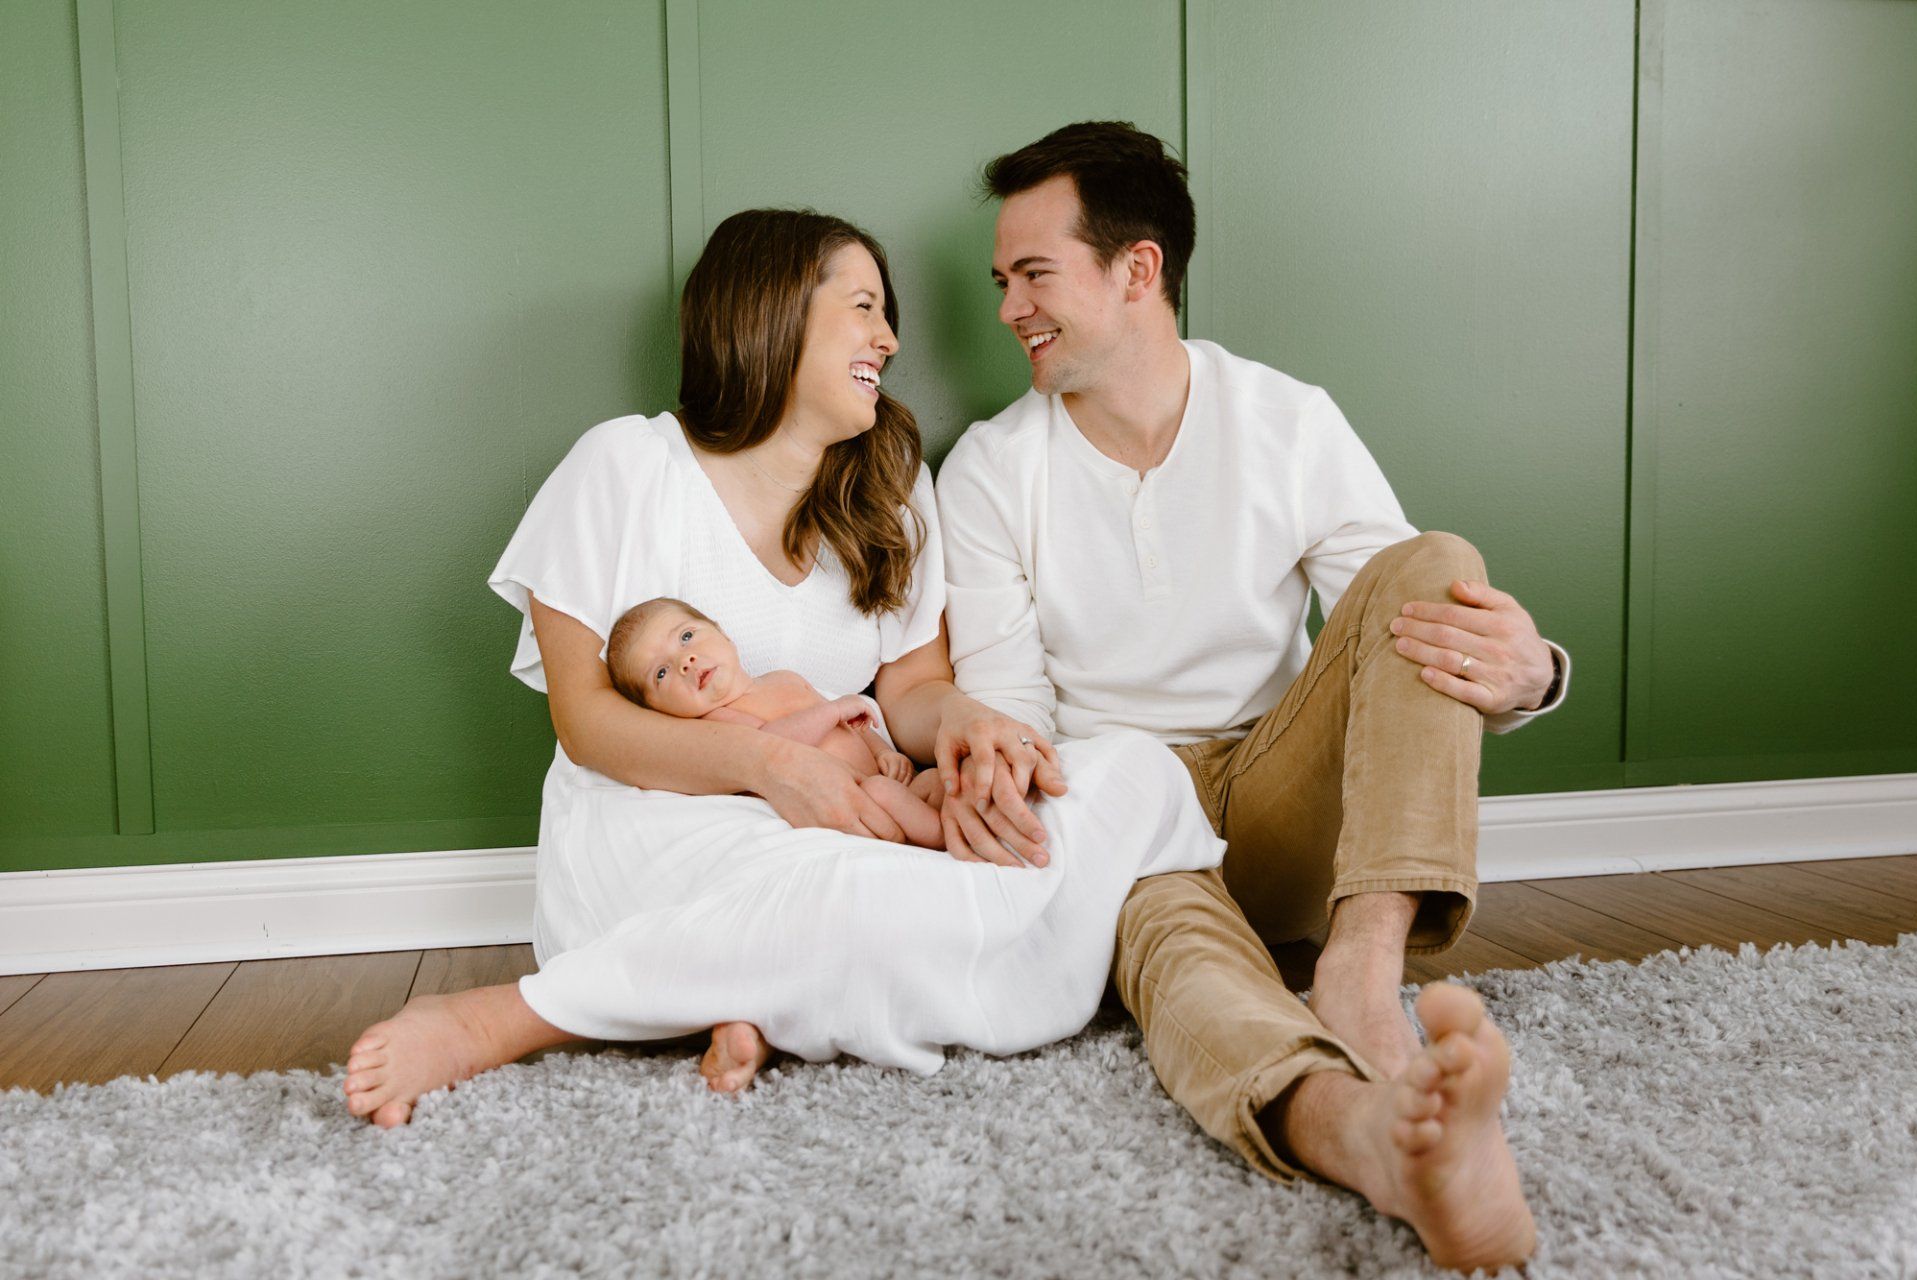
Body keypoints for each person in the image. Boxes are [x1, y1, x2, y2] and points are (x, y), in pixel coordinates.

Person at [341, 208, 1223, 1119]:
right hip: (665, 820)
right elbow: (587, 721)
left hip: (848, 813)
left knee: (1135, 775)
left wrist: (966, 726)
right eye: (864, 308)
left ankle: (746, 991)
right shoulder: (623, 468)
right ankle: (505, 1020)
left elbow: (914, 691)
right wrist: (772, 767)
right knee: (845, 893)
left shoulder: (892, 485)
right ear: (771, 315)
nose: (888, 339)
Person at [935, 122, 1572, 1271]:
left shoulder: (1287, 419)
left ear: (1139, 270)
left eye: (1033, 275)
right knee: (1185, 973)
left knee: (1433, 561)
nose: (1006, 309)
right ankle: (1375, 1140)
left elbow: (1401, 616)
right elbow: (1010, 713)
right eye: (1000, 281)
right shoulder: (987, 469)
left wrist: (1537, 675)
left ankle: (1361, 978)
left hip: (1283, 786)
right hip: (1121, 801)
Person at [604, 595, 947, 850]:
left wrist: (883, 751)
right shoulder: (716, 723)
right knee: (882, 791)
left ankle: (967, 824)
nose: (685, 661)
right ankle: (947, 844)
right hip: (855, 805)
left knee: (935, 780)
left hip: (888, 782)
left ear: (723, 634)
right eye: (661, 673)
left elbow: (852, 723)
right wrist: (833, 711)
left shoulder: (784, 678)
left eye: (686, 637)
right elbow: (772, 742)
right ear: (658, 710)